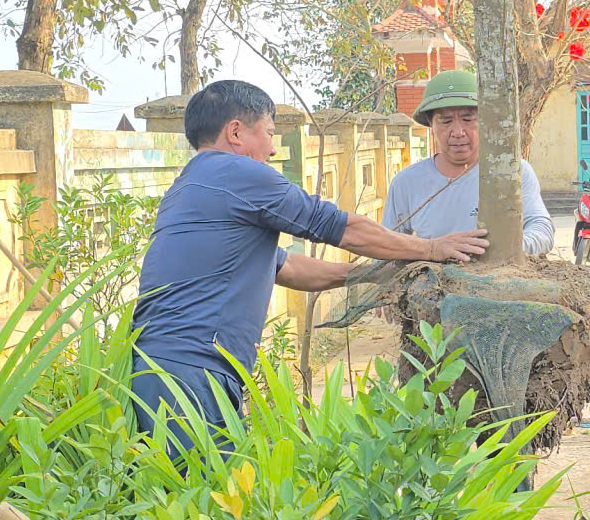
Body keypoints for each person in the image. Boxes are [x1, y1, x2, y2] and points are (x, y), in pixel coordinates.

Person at [131, 79, 486, 450]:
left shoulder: (192, 184)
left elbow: (286, 268)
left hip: (166, 367)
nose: (273, 149)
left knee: (200, 481)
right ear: (236, 132)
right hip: (192, 373)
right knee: (202, 483)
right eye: (269, 133)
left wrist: (369, 275)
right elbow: (341, 228)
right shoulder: (238, 174)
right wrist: (432, 248)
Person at [381, 70, 555, 258]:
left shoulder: (513, 172)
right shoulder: (407, 182)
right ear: (431, 124)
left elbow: (542, 229)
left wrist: (507, 251)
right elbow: (387, 245)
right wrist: (430, 250)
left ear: (485, 121)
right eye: (446, 121)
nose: (458, 132)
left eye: (468, 119)